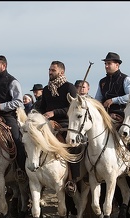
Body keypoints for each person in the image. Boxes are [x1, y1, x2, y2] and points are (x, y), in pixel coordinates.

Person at [95, 52, 130, 177]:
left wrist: (113, 100)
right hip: (107, 115)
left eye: (109, 63)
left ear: (117, 65)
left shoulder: (126, 79)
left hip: (124, 113)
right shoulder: (102, 82)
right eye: (105, 64)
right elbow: (98, 99)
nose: (106, 66)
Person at [37, 60, 80, 194]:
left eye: (53, 70)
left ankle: (73, 178)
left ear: (61, 72)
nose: (50, 72)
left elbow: (71, 108)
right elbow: (41, 106)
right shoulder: (46, 89)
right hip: (47, 122)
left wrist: (54, 112)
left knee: (73, 145)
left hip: (65, 122)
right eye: (49, 70)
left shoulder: (69, 88)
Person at [0, 55, 27, 181]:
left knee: (17, 140)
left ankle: (21, 170)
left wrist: (1, 106)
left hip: (8, 117)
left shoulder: (12, 81)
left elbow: (18, 102)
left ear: (4, 66)